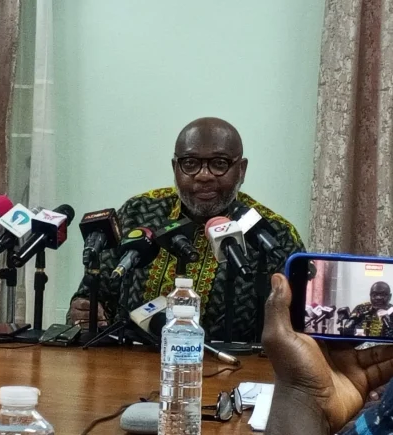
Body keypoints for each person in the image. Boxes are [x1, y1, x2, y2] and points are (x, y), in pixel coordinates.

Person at [68, 117, 305, 342]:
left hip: (232, 364)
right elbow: (95, 293)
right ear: (175, 167)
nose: (204, 176)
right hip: (130, 361)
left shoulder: (272, 234)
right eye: (190, 163)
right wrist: (85, 310)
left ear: (241, 169)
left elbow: (299, 328)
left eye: (219, 164)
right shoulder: (138, 212)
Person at [263, 274, 393, 435]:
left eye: (383, 295)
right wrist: (304, 397)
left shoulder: (391, 312)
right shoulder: (362, 309)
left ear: (389, 296)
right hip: (353, 362)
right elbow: (346, 328)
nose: (378, 298)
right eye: (375, 294)